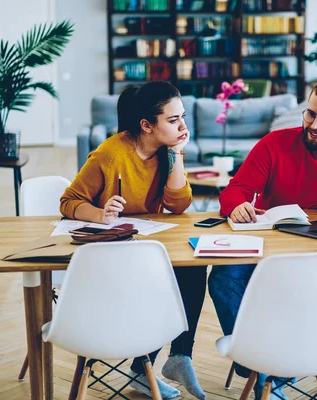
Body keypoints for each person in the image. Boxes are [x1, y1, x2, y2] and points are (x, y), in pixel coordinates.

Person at [208, 79, 317, 399]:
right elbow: (235, 190)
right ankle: (265, 371)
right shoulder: (276, 143)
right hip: (271, 247)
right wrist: (237, 205)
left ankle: (265, 372)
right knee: (223, 278)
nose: (313, 125)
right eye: (309, 114)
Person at [60, 81, 207, 400]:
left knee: (194, 266)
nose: (183, 126)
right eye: (173, 120)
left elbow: (178, 205)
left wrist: (178, 154)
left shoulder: (166, 152)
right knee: (162, 279)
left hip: (145, 248)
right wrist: (100, 213)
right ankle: (143, 371)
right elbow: (68, 201)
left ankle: (180, 356)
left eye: (183, 117)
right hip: (106, 260)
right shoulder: (110, 154)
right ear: (146, 125)